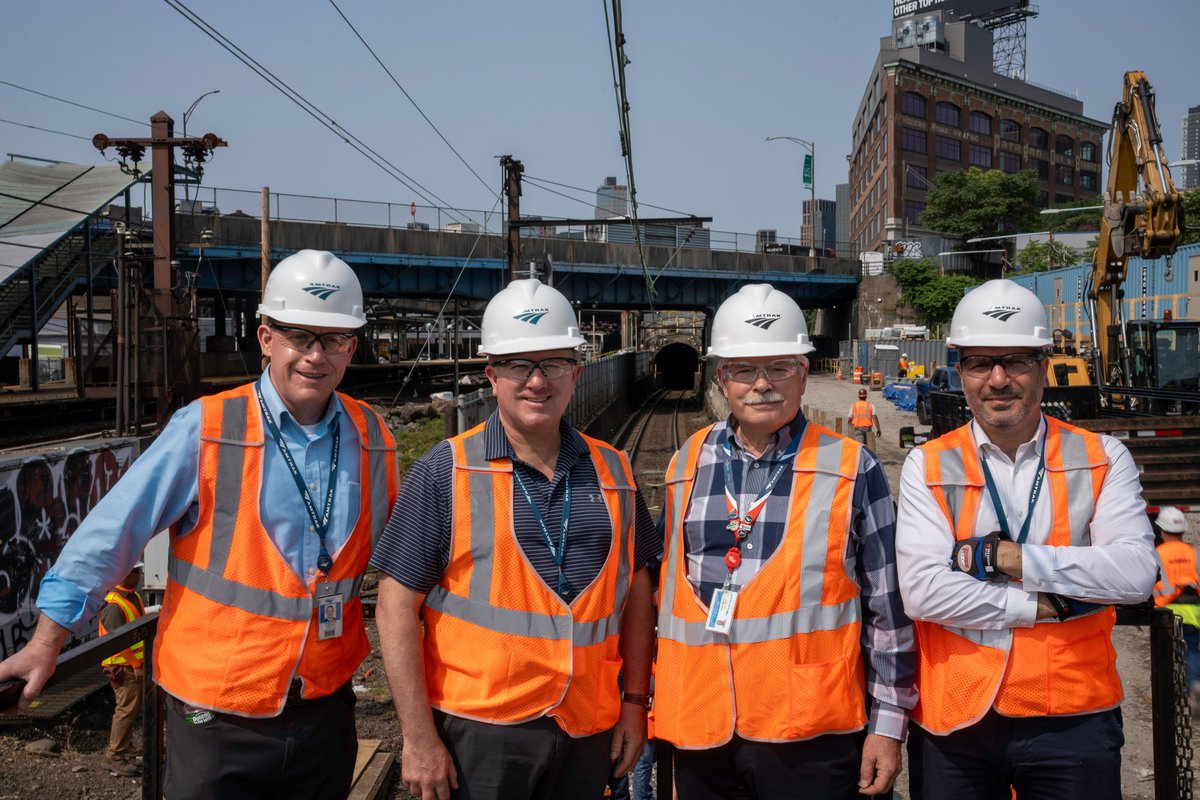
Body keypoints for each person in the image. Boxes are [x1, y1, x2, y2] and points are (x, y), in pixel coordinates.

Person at [0, 250, 398, 799]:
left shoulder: (374, 438)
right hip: (216, 711)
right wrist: (48, 640)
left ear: (351, 346)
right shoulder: (207, 428)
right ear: (265, 338)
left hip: (324, 709)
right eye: (298, 336)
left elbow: (403, 555)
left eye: (334, 339)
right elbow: (112, 531)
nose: (315, 355)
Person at [372, 278, 658, 800]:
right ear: (491, 375)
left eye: (551, 363)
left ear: (576, 371)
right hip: (480, 733)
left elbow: (638, 593)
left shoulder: (614, 472)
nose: (535, 381)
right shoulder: (446, 471)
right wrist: (417, 737)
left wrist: (636, 703)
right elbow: (393, 607)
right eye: (517, 365)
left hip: (588, 726)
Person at [895, 279, 1158, 800]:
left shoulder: (1102, 456)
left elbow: (1134, 575)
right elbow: (923, 592)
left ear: (1043, 367)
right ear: (960, 372)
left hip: (1072, 715)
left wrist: (1011, 557)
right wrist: (1053, 602)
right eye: (979, 363)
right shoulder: (926, 464)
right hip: (958, 718)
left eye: (1015, 361)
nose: (997, 379)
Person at [654, 283, 916, 799]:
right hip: (701, 727)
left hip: (810, 732)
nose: (762, 385)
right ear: (721, 378)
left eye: (778, 368)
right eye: (744, 370)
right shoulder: (687, 461)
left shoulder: (850, 466)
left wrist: (888, 726)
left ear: (802, 373)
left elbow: (889, 607)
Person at [99, 562, 145, 777]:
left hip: (131, 664)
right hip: (122, 667)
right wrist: (136, 665)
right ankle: (114, 756)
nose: (139, 575)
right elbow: (118, 642)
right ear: (125, 573)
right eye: (137, 571)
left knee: (131, 708)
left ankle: (124, 746)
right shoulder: (114, 606)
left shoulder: (131, 596)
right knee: (126, 710)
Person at [1152, 506, 1200, 696]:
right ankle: (1194, 683)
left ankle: (1162, 690)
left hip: (1167, 613)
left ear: (1161, 531)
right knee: (1191, 649)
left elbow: (1151, 584)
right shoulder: (1194, 552)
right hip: (1194, 611)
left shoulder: (1157, 554)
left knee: (1164, 652)